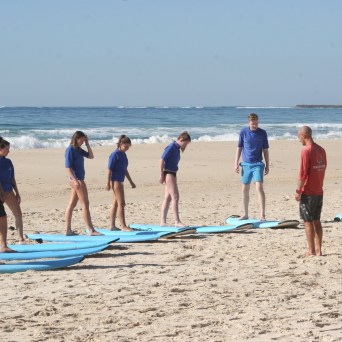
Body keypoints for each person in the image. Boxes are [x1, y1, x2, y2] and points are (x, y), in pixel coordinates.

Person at [295, 126, 327, 257]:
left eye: (299, 137)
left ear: (304, 136)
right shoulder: (321, 150)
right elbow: (323, 168)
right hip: (319, 191)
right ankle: (319, 251)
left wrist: (298, 191)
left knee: (307, 221)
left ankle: (311, 250)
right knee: (317, 220)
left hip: (308, 192)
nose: (298, 140)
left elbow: (303, 174)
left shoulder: (306, 151)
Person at [64, 131, 102, 236]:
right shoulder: (70, 150)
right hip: (77, 180)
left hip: (77, 180)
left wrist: (87, 144)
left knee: (72, 204)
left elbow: (91, 156)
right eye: (81, 140)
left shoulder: (78, 149)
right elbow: (67, 168)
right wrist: (75, 181)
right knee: (85, 204)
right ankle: (91, 230)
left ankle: (67, 230)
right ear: (76, 138)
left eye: (84, 140)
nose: (82, 142)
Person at [234, 113, 269, 220]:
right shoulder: (243, 132)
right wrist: (236, 163)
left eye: (257, 124)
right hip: (246, 165)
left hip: (258, 164)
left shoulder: (262, 133)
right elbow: (239, 148)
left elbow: (265, 150)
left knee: (259, 187)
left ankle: (262, 215)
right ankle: (245, 214)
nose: (255, 126)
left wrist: (267, 164)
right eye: (253, 124)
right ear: (249, 122)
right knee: (244, 189)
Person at [160, 131, 191, 227]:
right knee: (175, 197)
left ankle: (162, 222)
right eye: (185, 143)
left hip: (172, 173)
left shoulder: (177, 149)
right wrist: (161, 175)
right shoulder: (171, 147)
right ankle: (177, 221)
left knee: (168, 197)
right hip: (168, 173)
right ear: (181, 140)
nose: (185, 146)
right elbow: (161, 160)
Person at [105, 135, 136, 231]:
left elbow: (124, 169)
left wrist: (131, 181)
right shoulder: (115, 154)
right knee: (121, 203)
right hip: (115, 181)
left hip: (120, 180)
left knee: (115, 203)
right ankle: (123, 226)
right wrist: (108, 183)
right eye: (125, 146)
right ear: (120, 144)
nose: (127, 149)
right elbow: (109, 170)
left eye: (128, 147)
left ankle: (111, 226)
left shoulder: (123, 154)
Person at [0, 137, 26, 243]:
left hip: (9, 191)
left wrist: (17, 192)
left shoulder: (8, 162)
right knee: (2, 217)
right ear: (0, 149)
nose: (9, 151)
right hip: (1, 192)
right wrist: (1, 192)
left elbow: (12, 178)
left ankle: (20, 238)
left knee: (18, 214)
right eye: (7, 149)